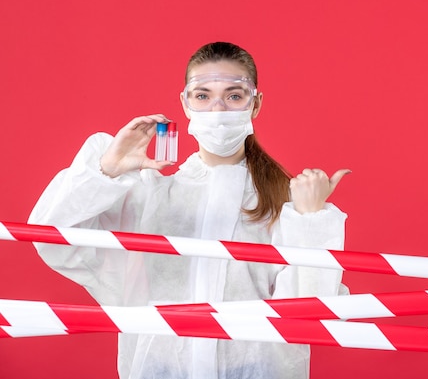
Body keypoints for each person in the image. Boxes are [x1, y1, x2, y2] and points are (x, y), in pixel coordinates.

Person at [29, 42, 350, 379]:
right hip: (158, 369)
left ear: (255, 103)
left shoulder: (285, 202)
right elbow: (53, 238)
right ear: (185, 103)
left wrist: (310, 222)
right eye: (202, 95)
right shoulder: (151, 197)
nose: (217, 109)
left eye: (234, 95)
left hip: (258, 370)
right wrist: (106, 171)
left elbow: (310, 311)